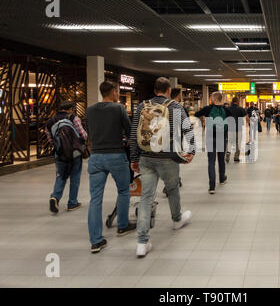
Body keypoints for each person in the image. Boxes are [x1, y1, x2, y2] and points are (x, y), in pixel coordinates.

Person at [129, 77, 195, 258]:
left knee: (146, 197)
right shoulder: (175, 107)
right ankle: (176, 220)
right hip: (168, 156)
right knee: (172, 189)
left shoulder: (142, 106)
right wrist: (191, 151)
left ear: (155, 89)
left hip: (146, 157)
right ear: (168, 90)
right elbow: (187, 129)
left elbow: (134, 133)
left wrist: (134, 158)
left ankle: (142, 242)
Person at [86, 81, 136, 254]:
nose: (118, 95)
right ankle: (122, 225)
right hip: (115, 155)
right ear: (113, 92)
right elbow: (130, 131)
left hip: (96, 157)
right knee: (123, 190)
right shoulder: (118, 108)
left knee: (95, 198)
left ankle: (96, 241)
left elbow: (89, 133)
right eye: (117, 92)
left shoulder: (90, 110)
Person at [46, 101, 87, 214]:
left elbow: (50, 140)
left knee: (61, 176)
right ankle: (72, 203)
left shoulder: (50, 121)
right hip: (75, 153)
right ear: (70, 109)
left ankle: (55, 197)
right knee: (75, 177)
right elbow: (83, 135)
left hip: (60, 154)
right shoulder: (73, 118)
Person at [195, 91, 232, 194]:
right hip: (222, 137)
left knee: (211, 161)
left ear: (214, 99)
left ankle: (212, 186)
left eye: (211, 97)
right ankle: (222, 179)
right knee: (221, 159)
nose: (210, 99)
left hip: (210, 137)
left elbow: (197, 114)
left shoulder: (208, 109)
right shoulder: (226, 109)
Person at [226, 97, 249, 163]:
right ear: (237, 101)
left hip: (230, 129)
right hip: (238, 129)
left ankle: (228, 153)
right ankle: (236, 157)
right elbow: (247, 118)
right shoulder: (241, 109)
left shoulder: (227, 109)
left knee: (229, 142)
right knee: (238, 143)